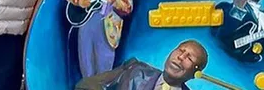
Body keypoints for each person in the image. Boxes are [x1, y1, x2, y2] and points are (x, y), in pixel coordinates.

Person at [65, 0, 136, 79]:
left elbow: (128, 9)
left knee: (104, 66)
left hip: (107, 28)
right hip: (86, 23)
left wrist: (115, 0)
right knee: (85, 60)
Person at [75, 40, 209, 90]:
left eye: (189, 58)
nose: (180, 57)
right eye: (180, 50)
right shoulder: (135, 69)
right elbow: (87, 84)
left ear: (195, 74)